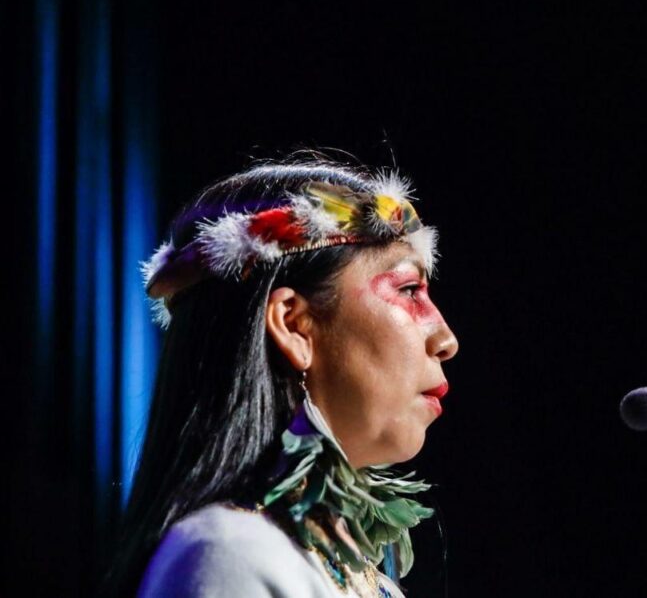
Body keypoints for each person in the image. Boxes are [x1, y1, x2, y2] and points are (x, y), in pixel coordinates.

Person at [106, 157, 459, 597]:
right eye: (408, 289)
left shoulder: (363, 579)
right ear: (293, 324)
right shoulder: (230, 556)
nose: (446, 339)